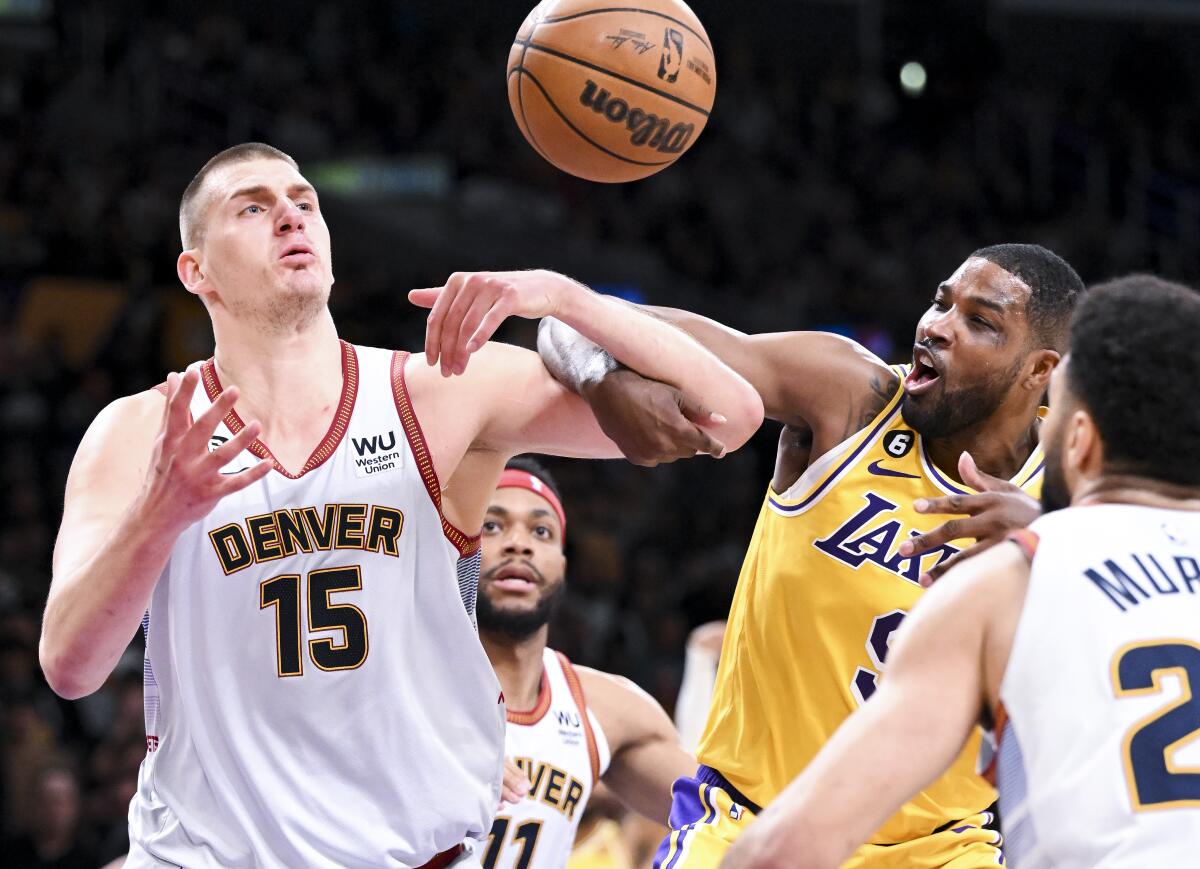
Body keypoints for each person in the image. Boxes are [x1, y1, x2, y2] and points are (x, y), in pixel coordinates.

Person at [39, 142, 764, 869]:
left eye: (304, 202)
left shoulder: (439, 393)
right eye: (253, 207)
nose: (290, 215)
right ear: (195, 270)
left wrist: (564, 299)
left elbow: (727, 415)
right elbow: (70, 666)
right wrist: (160, 512)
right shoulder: (142, 430)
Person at [538, 244, 1085, 867]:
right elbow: (575, 320)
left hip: (939, 850)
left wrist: (1055, 545)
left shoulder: (1073, 490)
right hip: (751, 823)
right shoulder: (851, 396)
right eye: (940, 302)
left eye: (980, 322)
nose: (937, 327)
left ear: (1039, 370)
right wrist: (599, 380)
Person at [721, 275, 1200, 868]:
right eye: (943, 303)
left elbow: (786, 851)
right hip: (757, 790)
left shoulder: (1011, 577)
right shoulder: (857, 398)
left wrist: (1043, 537)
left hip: (920, 835)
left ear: (1077, 441)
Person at [477, 456, 697, 869]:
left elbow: (722, 816)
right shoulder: (399, 691)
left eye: (541, 531)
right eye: (492, 525)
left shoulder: (610, 710)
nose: (518, 543)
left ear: (561, 564)